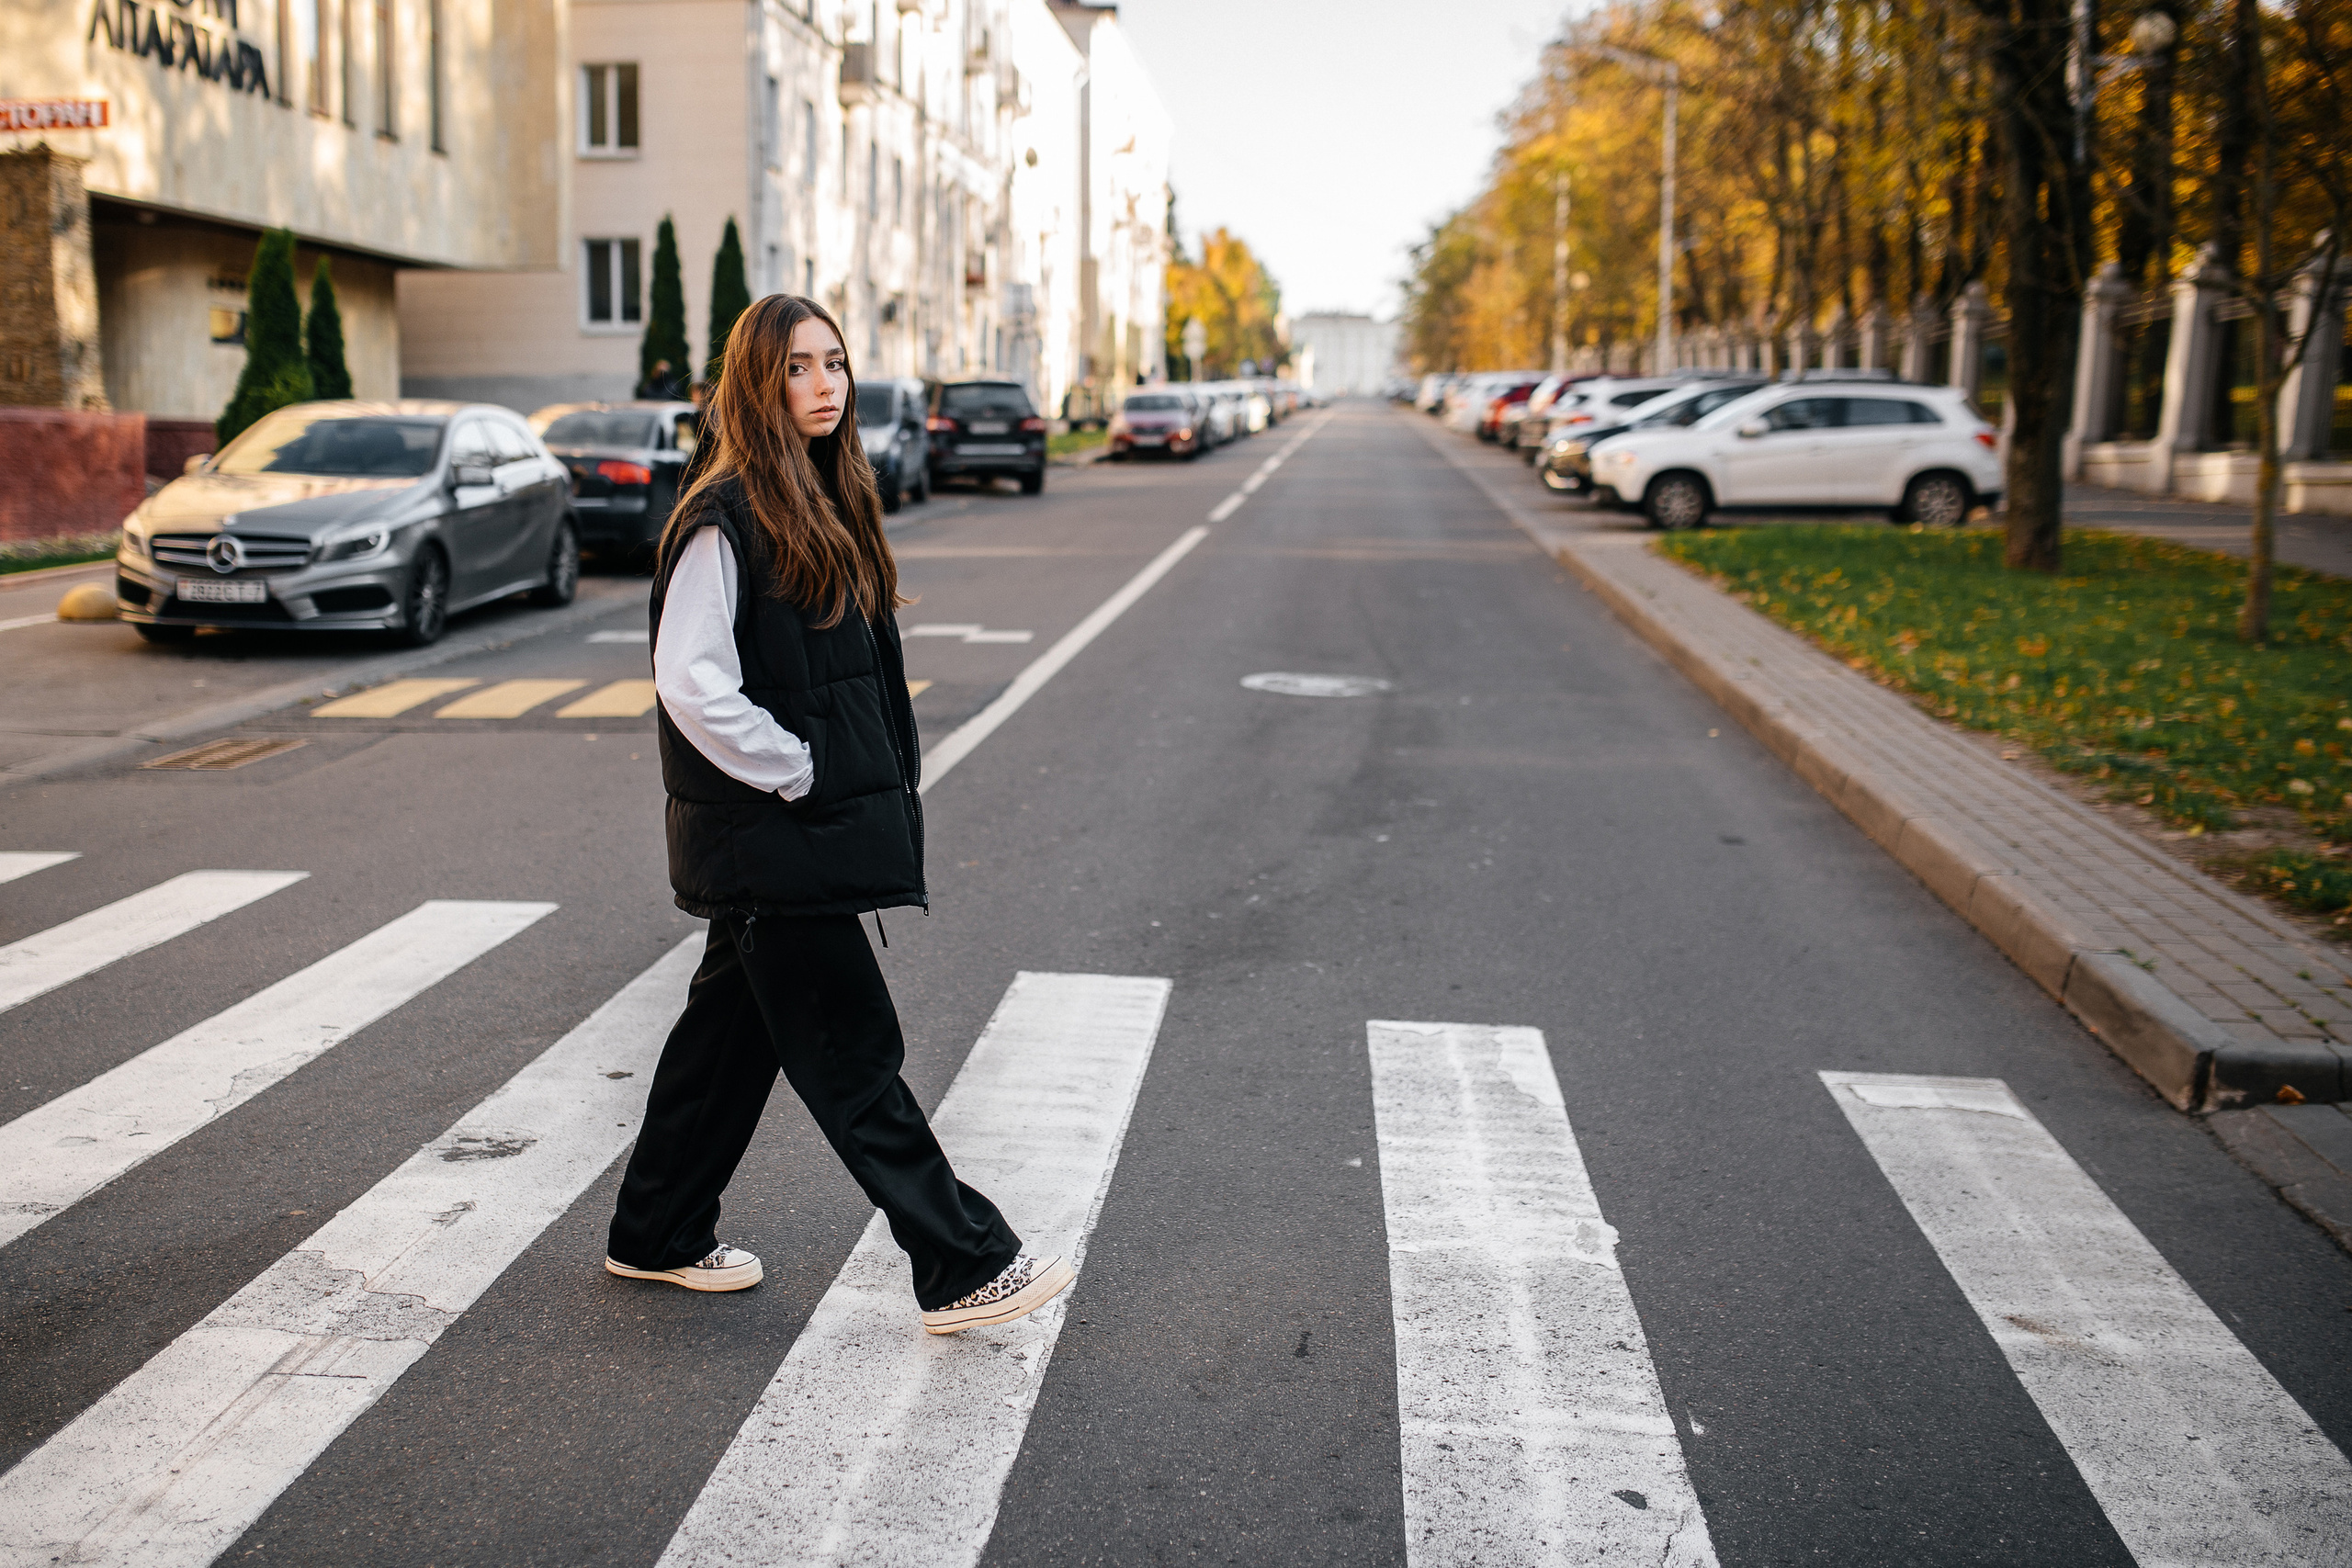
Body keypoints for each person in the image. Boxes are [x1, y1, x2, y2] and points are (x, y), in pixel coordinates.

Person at [604, 294, 1073, 1336]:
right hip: (776, 834)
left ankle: (655, 1231)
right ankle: (961, 1261)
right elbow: (691, 681)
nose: (824, 386)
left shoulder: (816, 497)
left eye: (835, 363)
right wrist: (796, 770)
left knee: (724, 1046)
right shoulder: (723, 515)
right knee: (852, 1053)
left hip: (787, 835)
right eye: (797, 370)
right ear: (753, 386)